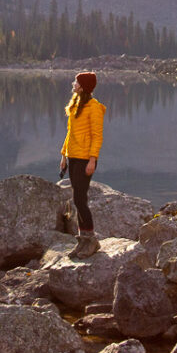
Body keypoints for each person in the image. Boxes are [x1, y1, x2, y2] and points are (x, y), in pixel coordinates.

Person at [60, 70, 105, 257]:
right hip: (73, 156)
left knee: (80, 199)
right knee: (78, 199)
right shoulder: (76, 103)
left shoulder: (94, 107)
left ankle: (91, 240)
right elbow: (70, 133)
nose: (73, 84)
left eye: (76, 82)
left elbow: (97, 135)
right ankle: (82, 240)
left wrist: (93, 159)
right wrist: (63, 155)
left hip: (86, 158)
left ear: (83, 86)